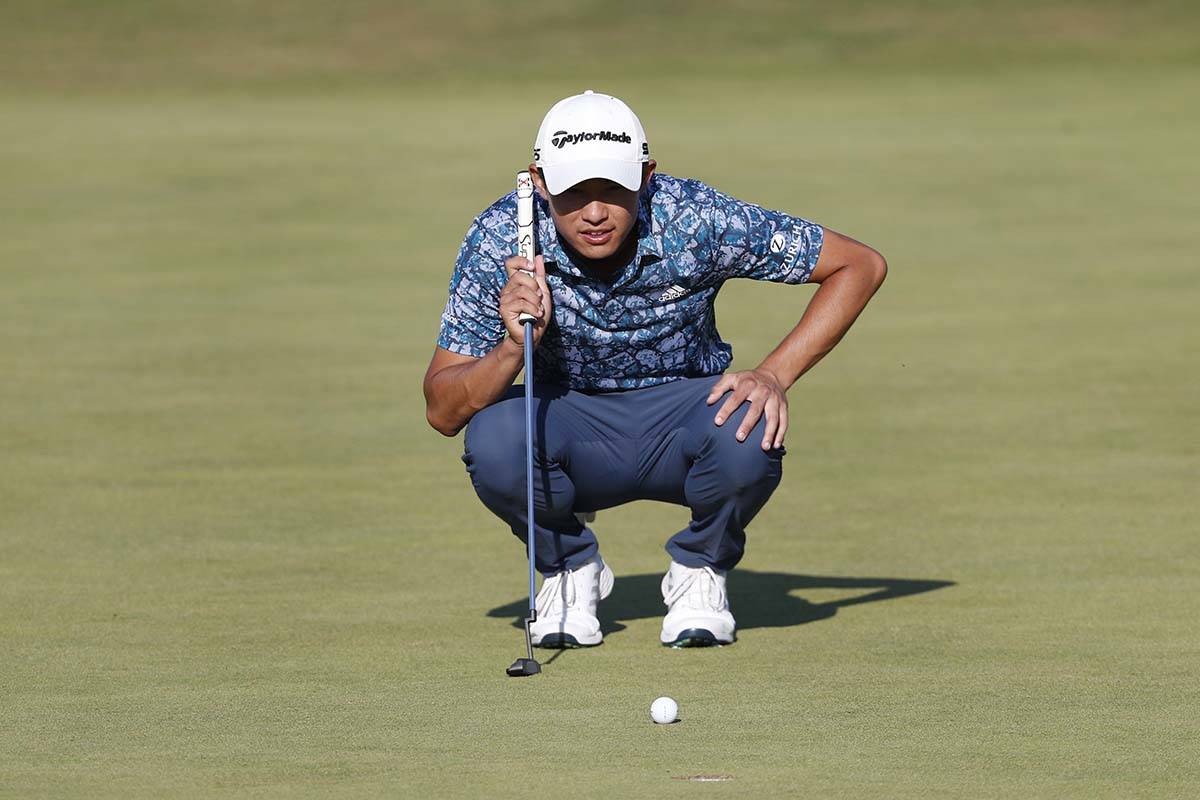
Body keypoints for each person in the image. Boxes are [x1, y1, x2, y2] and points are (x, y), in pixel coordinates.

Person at [423, 90, 886, 649]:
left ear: (646, 176)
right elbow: (443, 410)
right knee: (495, 437)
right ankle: (569, 569)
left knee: (750, 424)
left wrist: (774, 374)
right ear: (538, 182)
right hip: (567, 422)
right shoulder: (502, 237)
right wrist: (512, 350)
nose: (595, 213)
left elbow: (858, 264)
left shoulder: (695, 219)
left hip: (686, 416)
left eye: (614, 190)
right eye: (573, 193)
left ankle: (700, 569)